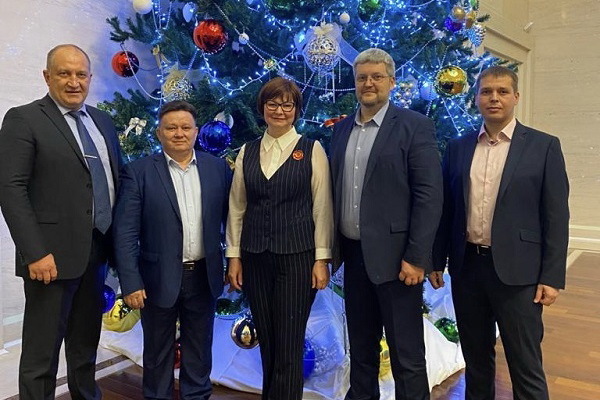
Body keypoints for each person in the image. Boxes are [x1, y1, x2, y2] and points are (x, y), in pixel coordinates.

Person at [430, 65, 569, 400]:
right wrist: (436, 259)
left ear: (515, 97)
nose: (494, 98)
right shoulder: (458, 147)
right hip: (468, 269)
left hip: (519, 274)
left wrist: (551, 276)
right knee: (476, 361)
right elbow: (446, 210)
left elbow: (556, 216)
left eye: (502, 91)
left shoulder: (543, 147)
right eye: (487, 92)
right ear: (476, 98)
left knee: (525, 364)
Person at [0, 44, 123, 399]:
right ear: (47, 76)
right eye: (64, 73)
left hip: (97, 251)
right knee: (42, 355)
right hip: (49, 260)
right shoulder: (23, 119)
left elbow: (118, 179)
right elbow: (10, 188)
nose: (73, 82)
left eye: (81, 74)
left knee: (85, 346)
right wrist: (35, 252)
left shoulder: (102, 121)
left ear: (90, 78)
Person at [329, 48, 443, 400]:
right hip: (354, 257)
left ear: (391, 82)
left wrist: (417, 257)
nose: (369, 83)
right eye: (362, 77)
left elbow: (429, 196)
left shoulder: (414, 126)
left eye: (377, 77)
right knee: (361, 349)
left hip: (398, 262)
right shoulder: (341, 130)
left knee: (406, 354)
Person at [112, 100, 231, 399]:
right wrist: (131, 281)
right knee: (157, 351)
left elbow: (232, 220)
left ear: (196, 132)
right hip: (156, 278)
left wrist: (234, 261)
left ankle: (197, 395)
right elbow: (125, 232)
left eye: (186, 127)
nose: (179, 133)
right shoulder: (138, 172)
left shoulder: (217, 168)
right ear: (159, 133)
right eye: (171, 128)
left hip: (203, 274)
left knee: (199, 350)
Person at [226, 77, 333, 400]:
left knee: (288, 342)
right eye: (272, 104)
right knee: (268, 340)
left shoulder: (312, 150)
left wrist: (322, 259)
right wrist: (234, 256)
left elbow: (322, 207)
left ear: (296, 110)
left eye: (287, 105)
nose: (279, 110)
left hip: (297, 258)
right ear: (262, 108)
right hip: (255, 256)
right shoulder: (248, 151)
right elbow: (237, 206)